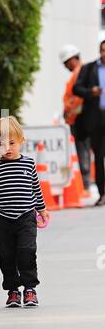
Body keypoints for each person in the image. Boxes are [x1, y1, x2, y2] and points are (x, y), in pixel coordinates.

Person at [0, 116, 50, 308]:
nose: (6, 148)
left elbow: (36, 189)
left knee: (27, 252)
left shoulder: (28, 164)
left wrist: (42, 209)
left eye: (12, 143)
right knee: (6, 256)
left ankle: (30, 289)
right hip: (3, 220)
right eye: (0, 144)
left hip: (26, 217)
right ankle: (13, 291)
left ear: (21, 141)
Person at [73, 40, 105, 206]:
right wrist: (90, 92)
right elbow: (76, 88)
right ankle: (102, 194)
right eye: (103, 51)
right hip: (96, 119)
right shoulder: (89, 68)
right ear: (100, 51)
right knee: (99, 157)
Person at [59, 44, 91, 196]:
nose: (66, 67)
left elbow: (77, 98)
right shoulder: (80, 73)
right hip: (79, 118)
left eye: (66, 63)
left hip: (81, 119)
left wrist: (69, 112)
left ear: (72, 59)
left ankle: (85, 186)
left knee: (83, 152)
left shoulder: (81, 73)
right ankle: (86, 186)